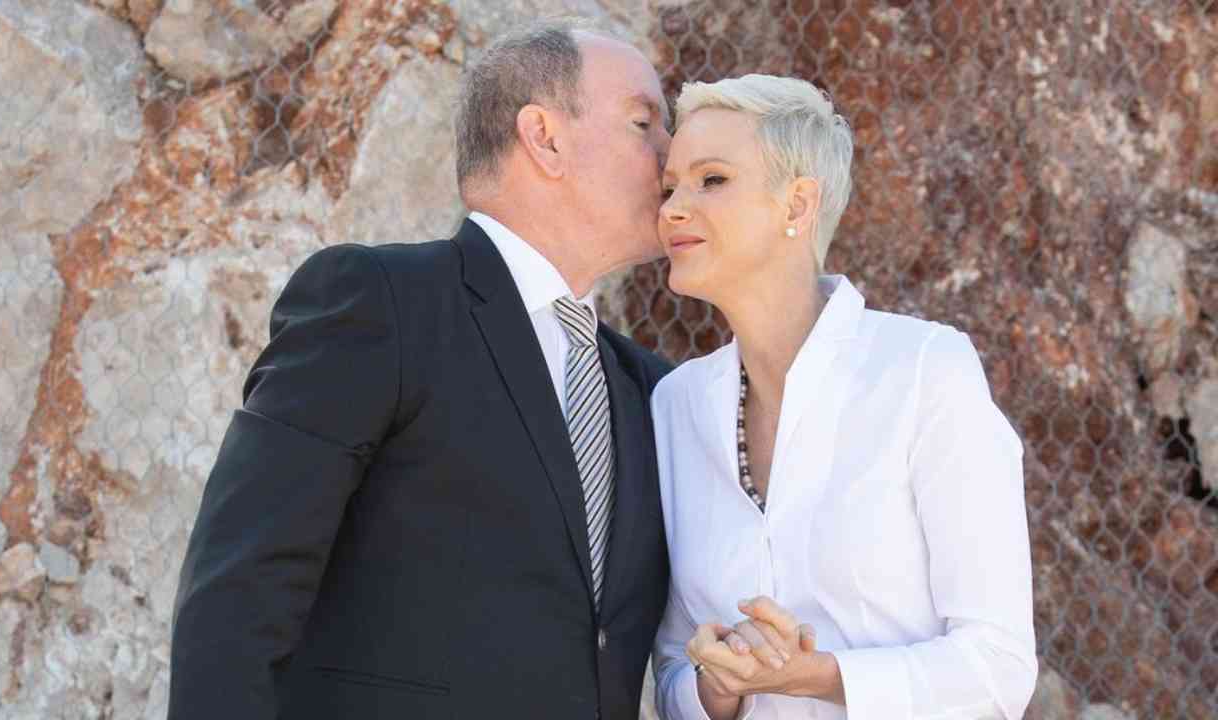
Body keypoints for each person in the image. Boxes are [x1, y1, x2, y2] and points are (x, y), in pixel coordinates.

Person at [168, 20, 675, 720]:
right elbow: (240, 587)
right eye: (645, 124)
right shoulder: (382, 304)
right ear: (545, 138)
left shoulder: (651, 389)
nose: (672, 157)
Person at [651, 73, 1038, 719]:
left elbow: (999, 668)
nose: (671, 210)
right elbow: (670, 673)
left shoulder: (925, 370)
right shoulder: (675, 405)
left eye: (711, 179)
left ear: (798, 205)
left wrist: (821, 677)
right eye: (669, 188)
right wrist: (717, 687)